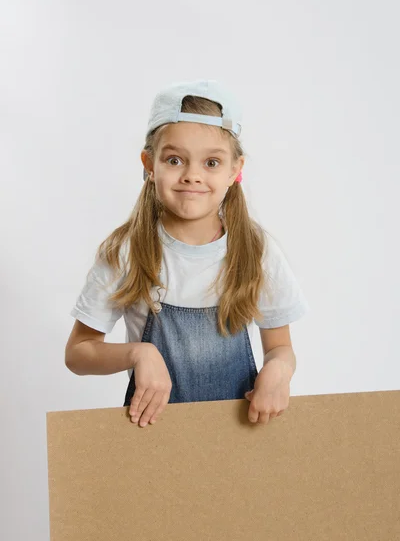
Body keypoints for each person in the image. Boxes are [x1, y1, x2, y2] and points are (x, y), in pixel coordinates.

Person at [65, 79, 310, 428]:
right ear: (149, 164)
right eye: (175, 160)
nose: (192, 176)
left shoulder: (255, 251)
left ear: (235, 170)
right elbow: (78, 353)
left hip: (242, 433)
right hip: (155, 438)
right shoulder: (126, 252)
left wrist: (279, 371)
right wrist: (139, 353)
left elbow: (280, 348)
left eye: (211, 162)